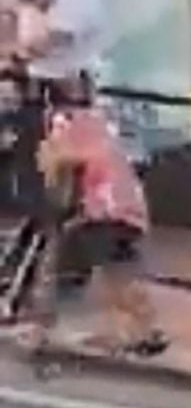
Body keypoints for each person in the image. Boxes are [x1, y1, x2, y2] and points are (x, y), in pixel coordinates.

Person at [29, 89, 159, 358]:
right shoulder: (96, 121)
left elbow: (60, 170)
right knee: (114, 270)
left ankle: (44, 332)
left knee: (77, 270)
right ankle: (145, 331)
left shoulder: (63, 124)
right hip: (125, 208)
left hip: (101, 210)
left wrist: (49, 170)